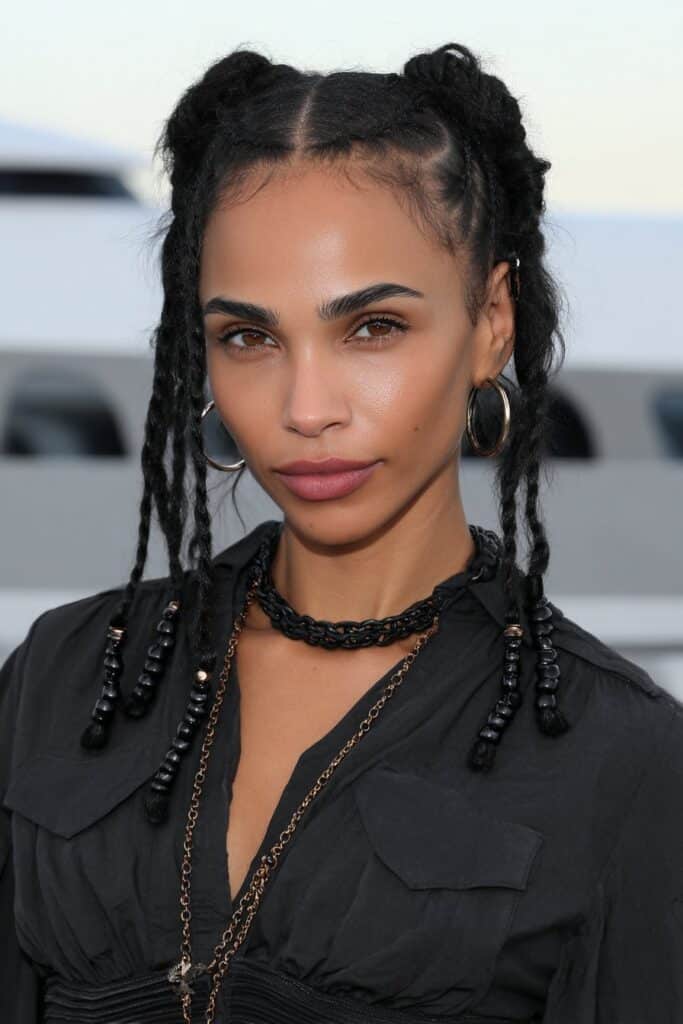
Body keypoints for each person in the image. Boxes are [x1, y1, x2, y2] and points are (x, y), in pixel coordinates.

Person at [1, 41, 682, 1024]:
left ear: (491, 320)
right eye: (248, 337)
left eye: (372, 328)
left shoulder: (619, 752)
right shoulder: (66, 674)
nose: (305, 407)